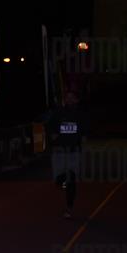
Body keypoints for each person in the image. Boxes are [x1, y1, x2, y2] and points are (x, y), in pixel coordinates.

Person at [48, 91, 87, 219]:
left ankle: (69, 207)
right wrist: (52, 134)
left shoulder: (80, 114)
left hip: (73, 152)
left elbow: (85, 129)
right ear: (64, 99)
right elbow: (50, 126)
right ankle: (64, 183)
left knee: (71, 179)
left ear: (76, 100)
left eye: (72, 98)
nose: (69, 100)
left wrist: (82, 140)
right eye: (67, 98)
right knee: (58, 181)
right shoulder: (58, 113)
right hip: (59, 152)